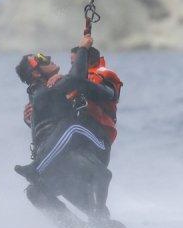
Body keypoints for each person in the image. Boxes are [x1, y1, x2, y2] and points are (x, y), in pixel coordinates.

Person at [14, 34, 122, 185]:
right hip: (71, 140)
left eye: (76, 62)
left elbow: (78, 80)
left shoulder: (101, 76)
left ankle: (37, 168)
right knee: (34, 191)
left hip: (98, 141)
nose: (49, 57)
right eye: (41, 58)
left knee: (71, 127)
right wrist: (32, 119)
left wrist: (82, 51)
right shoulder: (52, 89)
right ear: (36, 72)